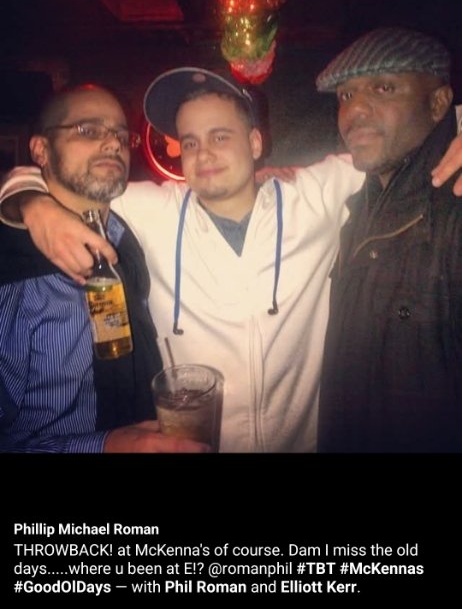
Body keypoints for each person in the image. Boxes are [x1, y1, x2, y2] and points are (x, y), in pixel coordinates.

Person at [2, 67, 462, 453]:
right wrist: (30, 200)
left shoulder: (315, 194)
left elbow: (399, 142)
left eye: (220, 136)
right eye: (190, 142)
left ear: (256, 143)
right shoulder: (148, 209)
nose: (203, 154)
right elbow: (70, 179)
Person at [0, 84, 208, 454]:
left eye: (121, 136)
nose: (113, 143)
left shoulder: (125, 234)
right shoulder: (13, 272)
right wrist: (103, 446)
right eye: (88, 130)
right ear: (40, 150)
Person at [315, 26, 462, 452]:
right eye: (345, 95)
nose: (354, 110)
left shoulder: (453, 209)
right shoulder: (358, 210)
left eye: (383, 87)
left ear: (438, 103)